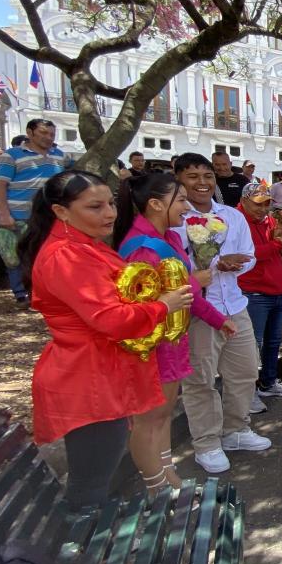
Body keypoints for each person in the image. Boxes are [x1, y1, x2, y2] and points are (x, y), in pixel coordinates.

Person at [19, 170, 193, 508]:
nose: (110, 213)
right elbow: (112, 319)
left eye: (111, 203)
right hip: (86, 382)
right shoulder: (65, 256)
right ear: (61, 212)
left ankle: (89, 549)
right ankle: (83, 553)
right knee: (90, 485)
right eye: (95, 207)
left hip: (102, 374)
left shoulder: (85, 247)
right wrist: (163, 305)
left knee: (99, 473)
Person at [114, 172, 237, 492]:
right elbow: (149, 303)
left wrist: (216, 318)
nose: (186, 207)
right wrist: (197, 281)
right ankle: (157, 487)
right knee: (148, 422)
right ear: (155, 204)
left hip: (172, 342)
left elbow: (185, 295)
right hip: (153, 348)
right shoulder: (141, 248)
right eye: (180, 200)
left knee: (163, 417)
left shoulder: (168, 239)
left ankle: (169, 476)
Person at [174, 153, 270, 473]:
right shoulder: (177, 221)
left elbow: (250, 256)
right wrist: (215, 265)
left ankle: (236, 430)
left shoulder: (232, 215)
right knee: (201, 380)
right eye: (193, 176)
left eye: (207, 176)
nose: (202, 182)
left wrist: (236, 263)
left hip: (235, 305)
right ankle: (207, 443)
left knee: (244, 372)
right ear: (179, 181)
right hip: (200, 311)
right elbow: (174, 268)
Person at [0, 119, 74, 309]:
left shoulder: (59, 156)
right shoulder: (11, 156)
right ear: (30, 132)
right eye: (44, 133)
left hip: (49, 216)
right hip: (19, 214)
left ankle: (44, 292)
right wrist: (4, 213)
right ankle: (22, 295)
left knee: (47, 254)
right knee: (17, 254)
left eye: (52, 134)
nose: (48, 138)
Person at [238, 181, 282, 401]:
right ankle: (245, 395)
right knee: (251, 346)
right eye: (258, 203)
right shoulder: (237, 222)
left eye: (267, 203)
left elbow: (280, 249)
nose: (263, 208)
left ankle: (268, 383)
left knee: (273, 342)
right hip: (254, 293)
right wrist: (280, 243)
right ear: (243, 201)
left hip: (277, 292)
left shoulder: (269, 220)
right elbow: (249, 255)